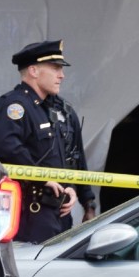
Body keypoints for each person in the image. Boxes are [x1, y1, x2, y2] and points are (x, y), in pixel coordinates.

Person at [0, 40, 78, 243]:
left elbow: (60, 156)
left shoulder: (51, 109)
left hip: (57, 212)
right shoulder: (14, 106)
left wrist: (70, 187)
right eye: (55, 68)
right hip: (31, 211)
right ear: (33, 71)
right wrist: (41, 178)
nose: (62, 75)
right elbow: (4, 146)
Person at [43, 94, 98, 228]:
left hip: (62, 205)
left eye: (61, 71)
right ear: (34, 71)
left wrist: (88, 204)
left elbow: (78, 159)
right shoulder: (24, 109)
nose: (61, 76)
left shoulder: (65, 111)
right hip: (32, 204)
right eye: (55, 71)